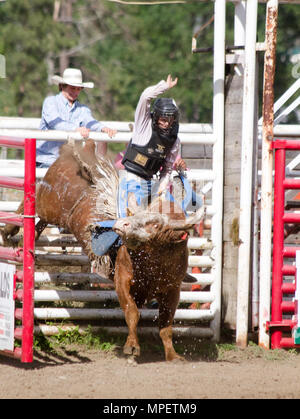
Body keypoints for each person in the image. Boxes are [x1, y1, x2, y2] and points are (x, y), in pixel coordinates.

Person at [119, 74, 187, 214]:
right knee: (132, 214)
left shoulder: (174, 140)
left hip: (150, 183)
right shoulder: (143, 124)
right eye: (163, 119)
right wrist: (164, 87)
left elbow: (167, 168)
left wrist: (162, 188)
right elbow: (145, 97)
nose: (166, 123)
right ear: (156, 117)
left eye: (170, 119)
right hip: (130, 178)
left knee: (174, 212)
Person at [36, 68, 116, 168]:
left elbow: (89, 121)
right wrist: (76, 129)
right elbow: (55, 123)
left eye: (78, 89)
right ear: (62, 86)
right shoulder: (50, 102)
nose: (76, 92)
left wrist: (103, 128)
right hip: (46, 159)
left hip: (68, 161)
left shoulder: (82, 109)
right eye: (72, 88)